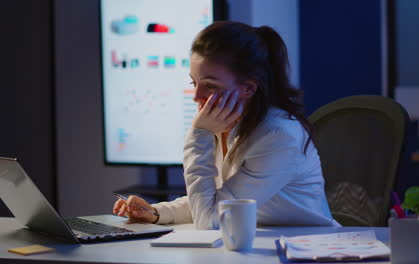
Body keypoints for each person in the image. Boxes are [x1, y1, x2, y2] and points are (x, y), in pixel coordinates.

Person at [113, 21, 340, 229]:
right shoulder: (227, 124)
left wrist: (198, 135)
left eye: (210, 86)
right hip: (257, 245)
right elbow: (215, 200)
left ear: (249, 88)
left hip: (308, 251)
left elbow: (210, 221)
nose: (196, 95)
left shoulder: (278, 136)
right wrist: (156, 212)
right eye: (194, 82)